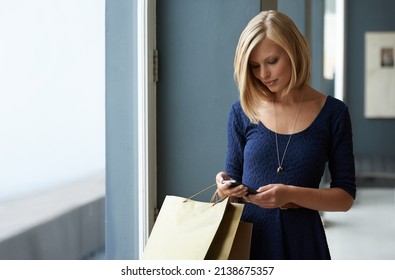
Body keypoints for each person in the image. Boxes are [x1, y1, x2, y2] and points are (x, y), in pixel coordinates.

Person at [215, 10, 356, 260]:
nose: (263, 75)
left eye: (272, 61)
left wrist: (290, 194)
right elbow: (233, 181)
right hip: (249, 244)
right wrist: (225, 186)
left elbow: (344, 198)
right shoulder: (242, 112)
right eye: (255, 66)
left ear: (293, 52)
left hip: (304, 244)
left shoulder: (334, 113)